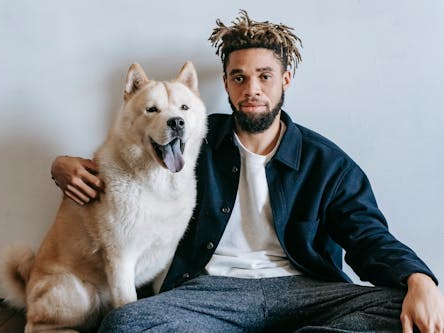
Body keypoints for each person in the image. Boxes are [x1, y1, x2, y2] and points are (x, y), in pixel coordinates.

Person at [51, 10, 444, 333]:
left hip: (304, 291)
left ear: (285, 80)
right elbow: (127, 161)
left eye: (264, 76)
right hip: (209, 293)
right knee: (126, 325)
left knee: (401, 309)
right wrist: (62, 165)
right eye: (239, 77)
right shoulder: (191, 142)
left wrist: (418, 278)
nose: (251, 88)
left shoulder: (327, 163)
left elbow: (368, 236)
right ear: (225, 84)